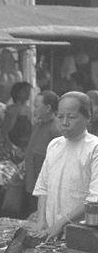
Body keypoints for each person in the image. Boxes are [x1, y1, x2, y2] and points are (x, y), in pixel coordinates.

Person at [34, 91, 98, 239]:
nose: (64, 122)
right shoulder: (54, 145)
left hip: (82, 234)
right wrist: (41, 221)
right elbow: (43, 188)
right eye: (60, 116)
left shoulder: (94, 148)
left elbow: (94, 199)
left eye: (71, 117)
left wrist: (62, 223)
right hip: (51, 232)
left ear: (88, 117)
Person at [24, 90, 60, 198]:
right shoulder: (38, 125)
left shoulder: (56, 129)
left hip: (45, 187)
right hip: (31, 183)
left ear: (48, 108)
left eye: (36, 106)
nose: (34, 110)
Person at [1, 81, 32, 151]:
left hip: (25, 148)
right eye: (25, 91)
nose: (28, 93)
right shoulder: (12, 110)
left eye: (28, 91)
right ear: (17, 93)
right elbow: (4, 131)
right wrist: (12, 147)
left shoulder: (28, 109)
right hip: (13, 148)